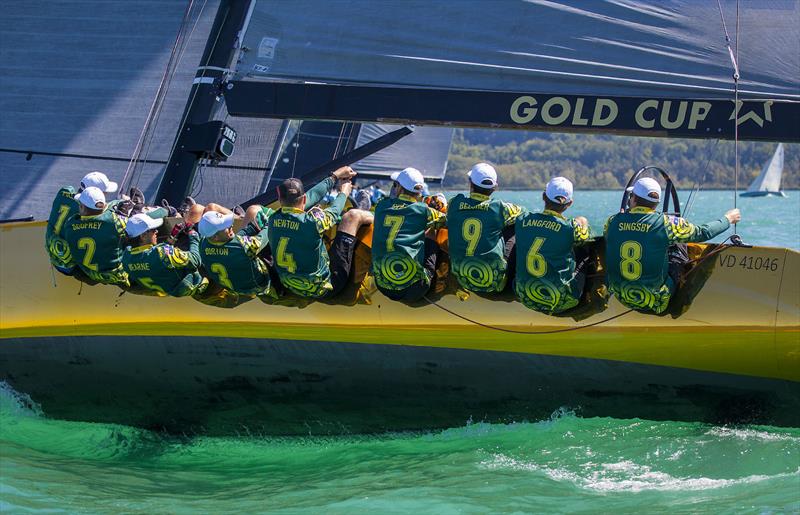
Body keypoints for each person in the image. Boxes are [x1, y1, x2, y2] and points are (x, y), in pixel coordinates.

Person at [605, 177, 741, 314]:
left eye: (631, 196)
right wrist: (728, 219)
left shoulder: (612, 221)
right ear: (656, 204)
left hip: (621, 298)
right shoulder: (667, 223)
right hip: (656, 303)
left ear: (633, 199)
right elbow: (703, 232)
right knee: (679, 244)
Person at [268, 167, 374, 299]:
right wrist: (344, 193)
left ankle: (362, 208)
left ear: (279, 199)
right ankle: (364, 211)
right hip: (326, 288)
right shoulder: (313, 223)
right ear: (304, 200)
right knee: (351, 218)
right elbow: (334, 210)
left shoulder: (271, 218)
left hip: (290, 285)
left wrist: (334, 176)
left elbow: (312, 197)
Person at [514, 177, 590, 313]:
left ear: (544, 196)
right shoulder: (570, 228)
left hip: (524, 296)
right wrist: (582, 220)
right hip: (562, 302)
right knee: (585, 252)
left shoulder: (522, 219)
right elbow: (584, 236)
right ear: (570, 203)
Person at [446, 163, 524, 293]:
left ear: (470, 183)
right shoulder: (499, 208)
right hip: (494, 283)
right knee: (513, 227)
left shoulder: (454, 203)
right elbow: (523, 214)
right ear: (495, 188)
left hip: (462, 278)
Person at [371, 167, 446, 301]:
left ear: (398, 187)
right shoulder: (424, 211)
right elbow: (446, 220)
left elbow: (400, 209)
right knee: (431, 230)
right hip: (415, 290)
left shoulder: (381, 206)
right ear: (420, 191)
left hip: (382, 286)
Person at [45, 171, 120, 275]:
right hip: (69, 266)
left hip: (52, 252)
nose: (106, 195)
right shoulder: (85, 213)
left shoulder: (64, 192)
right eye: (105, 193)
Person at [122, 213, 208, 297]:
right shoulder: (161, 253)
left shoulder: (126, 257)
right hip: (192, 281)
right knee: (198, 211)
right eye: (153, 229)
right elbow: (195, 260)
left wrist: (172, 238)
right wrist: (193, 234)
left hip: (168, 285)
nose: (156, 231)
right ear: (143, 236)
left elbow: (155, 259)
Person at [198, 210, 277, 299]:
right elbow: (267, 233)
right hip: (259, 285)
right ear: (215, 237)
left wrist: (251, 226)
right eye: (225, 226)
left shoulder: (203, 244)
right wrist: (269, 221)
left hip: (234, 287)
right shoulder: (242, 246)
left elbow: (233, 244)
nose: (231, 225)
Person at [62, 186, 130, 286]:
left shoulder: (69, 226)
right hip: (119, 277)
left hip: (91, 275)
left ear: (81, 207)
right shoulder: (113, 221)